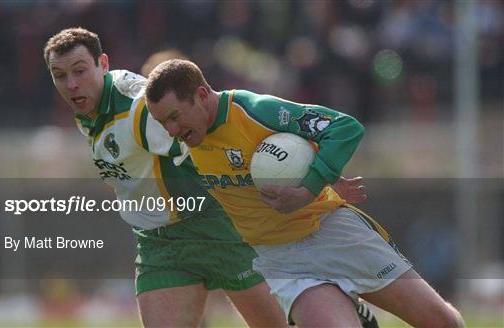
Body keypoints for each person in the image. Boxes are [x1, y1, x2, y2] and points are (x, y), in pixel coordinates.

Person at [43, 27, 374, 328]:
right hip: (160, 244)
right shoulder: (89, 108)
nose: (71, 84)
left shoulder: (138, 111)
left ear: (102, 64)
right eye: (59, 75)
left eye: (80, 71)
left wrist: (310, 174)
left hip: (217, 228)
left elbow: (219, 137)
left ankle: (346, 306)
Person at [145, 59, 465, 327]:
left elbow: (344, 129)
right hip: (281, 259)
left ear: (201, 95)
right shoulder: (182, 140)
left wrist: (311, 186)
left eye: (174, 117)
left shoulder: (257, 111)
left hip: (331, 230)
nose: (171, 131)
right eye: (163, 122)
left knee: (442, 323)